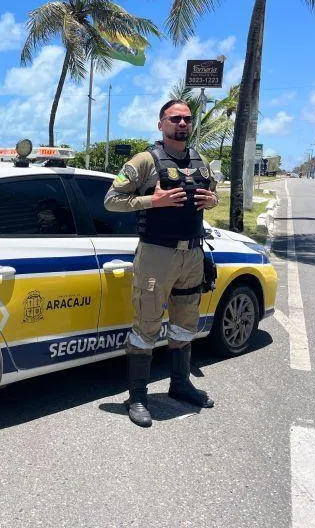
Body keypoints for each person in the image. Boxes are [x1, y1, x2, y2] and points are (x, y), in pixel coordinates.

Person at [104, 99, 219, 427]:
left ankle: (180, 384)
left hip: (192, 255)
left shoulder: (201, 161)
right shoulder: (145, 161)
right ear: (161, 124)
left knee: (186, 324)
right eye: (174, 119)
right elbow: (111, 201)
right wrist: (152, 201)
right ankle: (137, 396)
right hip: (157, 255)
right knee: (147, 326)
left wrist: (214, 200)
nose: (182, 124)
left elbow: (213, 194)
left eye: (186, 119)